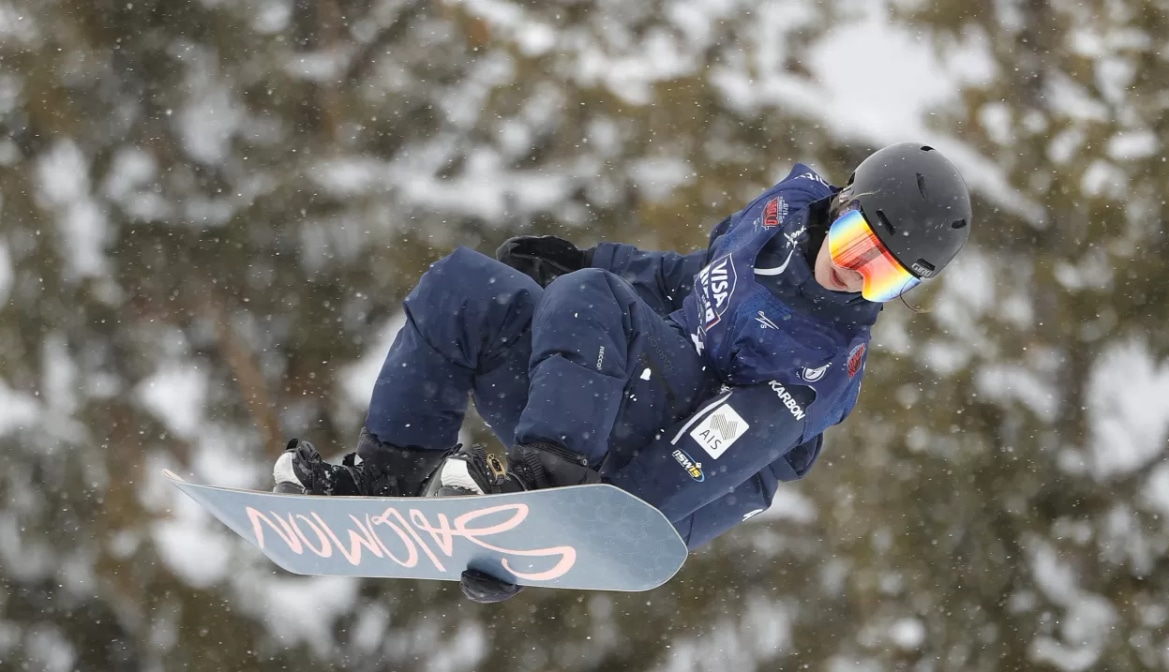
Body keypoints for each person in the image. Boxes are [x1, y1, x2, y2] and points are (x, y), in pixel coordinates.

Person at [272, 142, 972, 603]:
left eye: (882, 279)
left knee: (589, 304)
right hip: (589, 398)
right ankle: (388, 471)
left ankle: (546, 478)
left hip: (650, 473)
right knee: (462, 286)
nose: (853, 276)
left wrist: (564, 529)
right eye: (857, 245)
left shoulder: (823, 361)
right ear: (839, 207)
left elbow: (721, 452)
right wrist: (585, 261)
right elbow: (692, 282)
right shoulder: (783, 211)